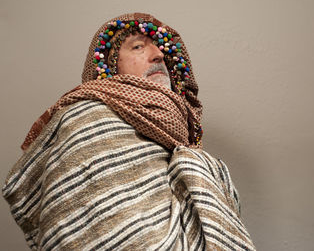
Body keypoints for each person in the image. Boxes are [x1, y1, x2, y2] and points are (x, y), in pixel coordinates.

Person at [2, 13, 256, 250]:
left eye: (161, 48)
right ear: (111, 65)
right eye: (138, 46)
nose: (159, 54)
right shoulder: (86, 118)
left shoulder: (183, 145)